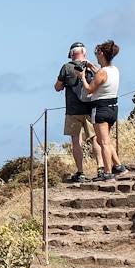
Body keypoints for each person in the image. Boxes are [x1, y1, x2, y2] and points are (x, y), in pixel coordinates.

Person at [82, 40, 124, 181]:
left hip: (100, 109)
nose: (96, 54)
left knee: (103, 142)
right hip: (113, 108)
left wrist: (82, 78)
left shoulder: (101, 73)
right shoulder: (114, 70)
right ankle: (118, 166)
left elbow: (89, 89)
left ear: (101, 53)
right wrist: (91, 66)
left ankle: (107, 172)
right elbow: (102, 75)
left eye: (97, 52)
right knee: (106, 140)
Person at [53, 42, 94, 182]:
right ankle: (102, 168)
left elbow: (57, 87)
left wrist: (65, 82)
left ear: (71, 54)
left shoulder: (66, 67)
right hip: (90, 109)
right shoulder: (91, 67)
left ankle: (80, 172)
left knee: (76, 142)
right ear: (85, 52)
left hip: (73, 110)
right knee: (96, 140)